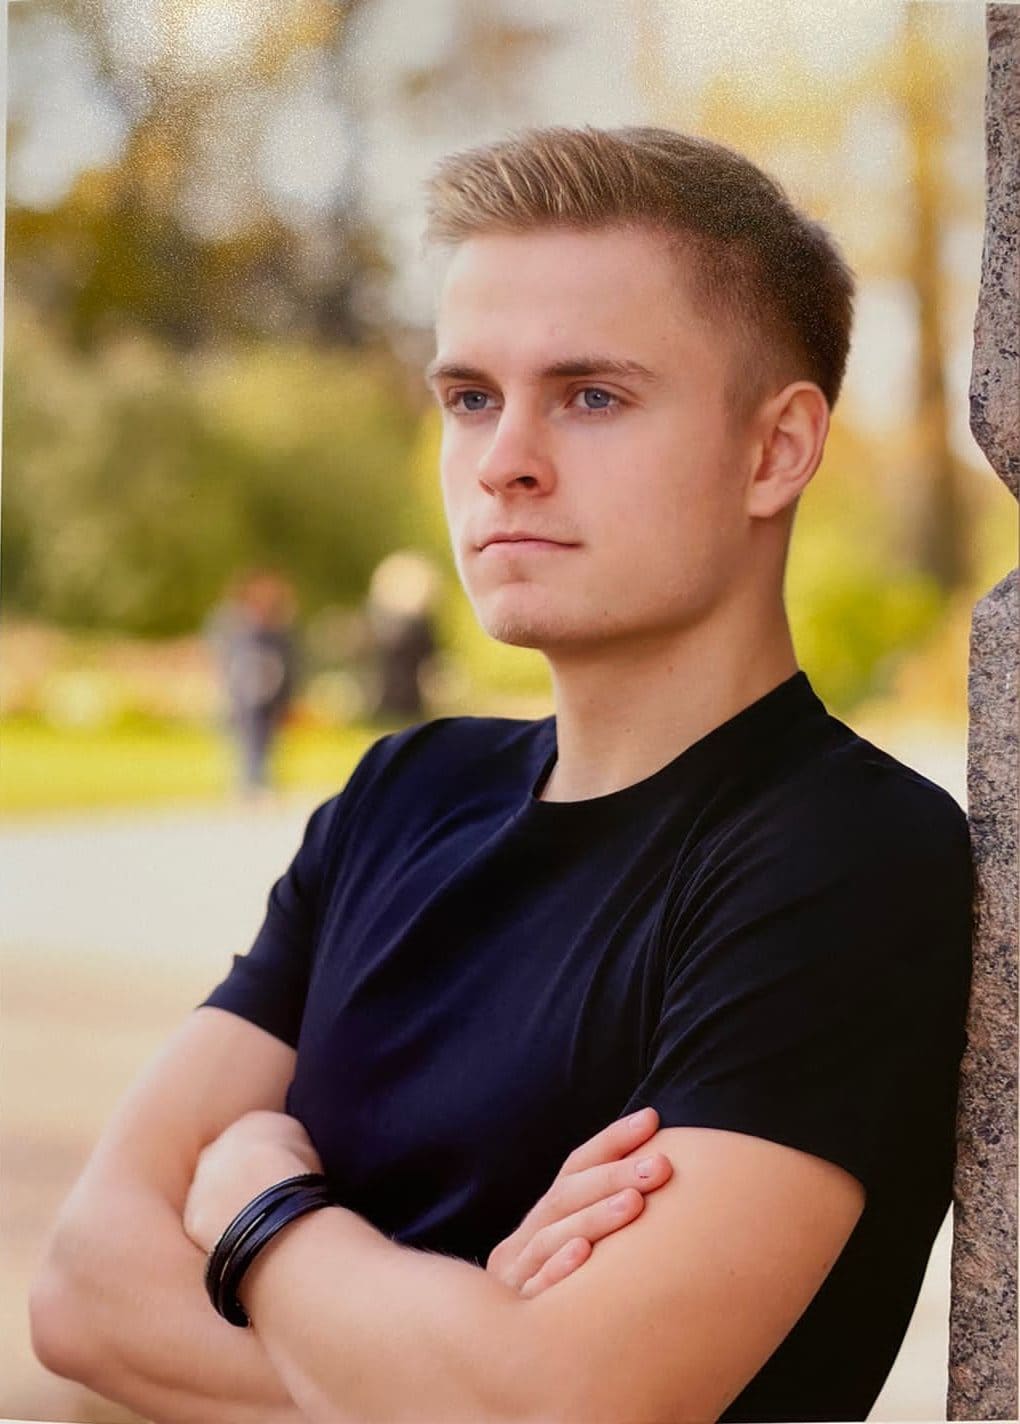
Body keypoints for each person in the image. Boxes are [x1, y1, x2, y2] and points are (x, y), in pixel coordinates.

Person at [30, 126, 973, 1424]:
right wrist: (461, 1341)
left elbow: (557, 1404)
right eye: (470, 397)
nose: (503, 459)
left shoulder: (848, 860)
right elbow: (83, 1293)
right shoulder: (400, 793)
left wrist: (260, 1205)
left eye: (592, 396)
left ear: (775, 451)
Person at [206, 569, 300, 801]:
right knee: (246, 736)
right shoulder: (234, 624)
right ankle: (249, 781)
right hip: (243, 691)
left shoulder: (276, 628)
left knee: (268, 737)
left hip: (269, 689)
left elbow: (288, 661)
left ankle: (261, 780)